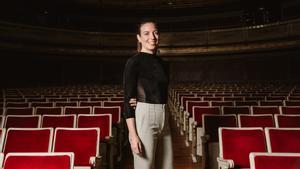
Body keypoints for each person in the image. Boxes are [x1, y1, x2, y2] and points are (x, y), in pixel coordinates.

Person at [123, 20, 173, 169]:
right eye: (146, 33)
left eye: (155, 32)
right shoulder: (133, 62)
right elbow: (127, 100)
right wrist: (133, 135)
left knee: (167, 166)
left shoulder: (163, 63)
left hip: (165, 115)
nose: (152, 36)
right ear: (138, 38)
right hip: (145, 115)